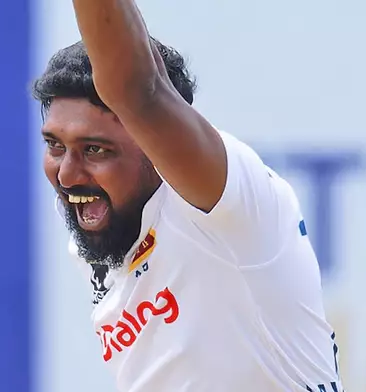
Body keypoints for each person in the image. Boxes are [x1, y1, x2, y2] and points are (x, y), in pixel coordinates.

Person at [32, 1, 344, 391]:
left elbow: (140, 93)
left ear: (157, 147)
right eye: (55, 146)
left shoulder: (224, 204)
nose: (66, 173)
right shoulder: (105, 236)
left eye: (95, 149)